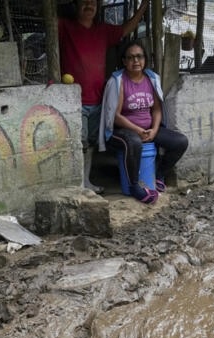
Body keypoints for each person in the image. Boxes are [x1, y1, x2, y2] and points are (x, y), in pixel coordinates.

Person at [58, 0, 150, 193]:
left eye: (93, 2)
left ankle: (86, 182)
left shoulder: (103, 31)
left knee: (90, 143)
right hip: (73, 101)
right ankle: (76, 185)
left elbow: (127, 28)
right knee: (78, 144)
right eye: (84, 2)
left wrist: (144, 5)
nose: (89, 5)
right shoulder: (65, 26)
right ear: (76, 6)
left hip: (98, 100)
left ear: (98, 7)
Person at [100, 40, 189, 204]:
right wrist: (138, 130)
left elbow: (156, 109)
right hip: (121, 132)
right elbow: (116, 116)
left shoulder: (151, 79)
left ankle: (160, 173)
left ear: (145, 59)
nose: (136, 61)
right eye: (131, 57)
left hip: (148, 129)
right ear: (124, 61)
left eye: (139, 56)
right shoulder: (118, 81)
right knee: (134, 142)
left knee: (180, 141)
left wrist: (154, 129)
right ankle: (134, 187)